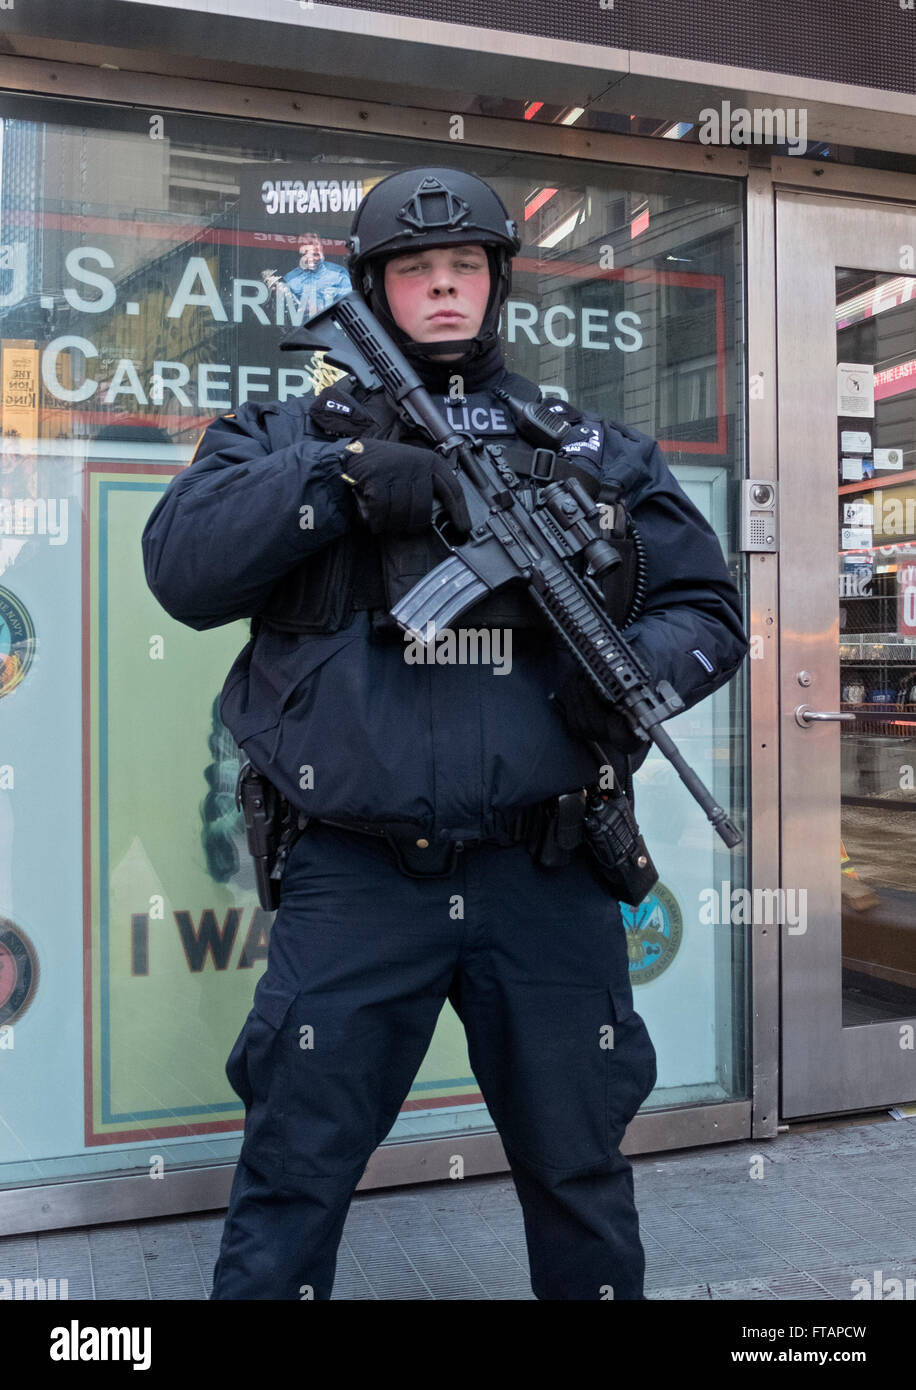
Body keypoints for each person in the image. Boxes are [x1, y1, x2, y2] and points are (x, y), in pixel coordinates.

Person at [141, 166, 748, 1301]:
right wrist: (343, 478)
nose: (442, 290)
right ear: (373, 289)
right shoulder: (283, 432)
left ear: (497, 282)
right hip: (354, 877)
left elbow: (707, 611)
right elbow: (181, 568)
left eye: (463, 267)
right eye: (415, 271)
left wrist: (626, 685)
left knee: (579, 1174)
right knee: (294, 1173)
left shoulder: (585, 448)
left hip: (548, 871)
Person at [263, 232, 352, 319]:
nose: (310, 254)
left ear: (322, 249)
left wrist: (324, 307)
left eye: (315, 251)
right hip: (303, 330)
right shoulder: (290, 279)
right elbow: (283, 314)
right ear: (300, 250)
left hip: (333, 329)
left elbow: (351, 303)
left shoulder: (338, 273)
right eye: (306, 250)